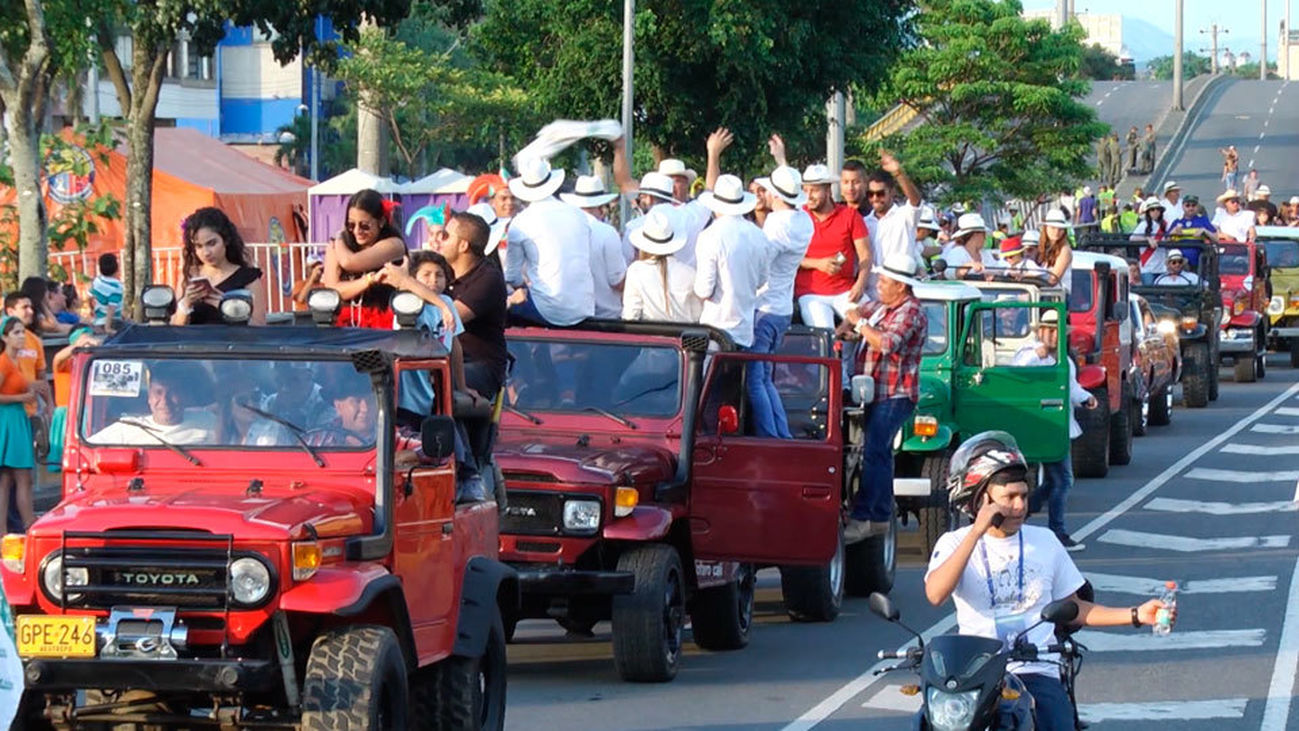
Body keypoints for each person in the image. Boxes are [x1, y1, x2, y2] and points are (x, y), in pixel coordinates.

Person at [925, 431, 1176, 731]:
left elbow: (1075, 608)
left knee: (1057, 722)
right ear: (981, 500)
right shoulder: (954, 543)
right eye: (1009, 498)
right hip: (973, 673)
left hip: (1036, 671)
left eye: (1024, 495)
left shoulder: (1045, 542)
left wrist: (1136, 614)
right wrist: (976, 532)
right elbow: (936, 594)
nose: (1020, 506)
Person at [840, 252, 927, 543]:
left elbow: (887, 343)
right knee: (876, 452)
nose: (878, 284)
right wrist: (847, 328)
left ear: (901, 286)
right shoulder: (883, 307)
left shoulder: (911, 310)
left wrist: (858, 324)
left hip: (895, 393)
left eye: (884, 281)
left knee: (876, 450)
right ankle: (877, 513)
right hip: (874, 390)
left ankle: (870, 517)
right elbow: (858, 316)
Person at [1010, 311, 1095, 549]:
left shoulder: (1064, 361)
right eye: (1048, 329)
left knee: (1057, 480)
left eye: (1057, 330)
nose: (1053, 335)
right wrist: (1038, 355)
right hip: (1037, 425)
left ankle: (1028, 511)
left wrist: (1086, 398)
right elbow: (1016, 373)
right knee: (1062, 480)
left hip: (1058, 426)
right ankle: (1057, 530)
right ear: (1039, 332)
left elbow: (1072, 389)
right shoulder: (1028, 354)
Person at [751, 165, 814, 438]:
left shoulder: (777, 224)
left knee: (755, 381)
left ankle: (771, 437)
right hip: (782, 308)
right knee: (765, 379)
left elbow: (762, 264)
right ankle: (781, 435)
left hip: (765, 307)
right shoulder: (804, 221)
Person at [504, 157, 595, 327]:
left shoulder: (520, 222)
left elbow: (512, 276)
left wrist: (522, 288)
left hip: (546, 311)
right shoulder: (578, 214)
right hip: (584, 307)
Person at [439, 211, 510, 402]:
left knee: (437, 384)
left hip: (479, 365)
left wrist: (409, 283)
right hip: (445, 358)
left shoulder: (489, 279)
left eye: (445, 235)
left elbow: (447, 319)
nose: (439, 239)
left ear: (463, 245)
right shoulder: (441, 270)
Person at [694, 174, 770, 349]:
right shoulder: (758, 235)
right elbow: (761, 281)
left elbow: (704, 290)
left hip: (715, 328)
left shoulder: (709, 236)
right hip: (744, 328)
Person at [795, 163, 871, 327]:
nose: (809, 196)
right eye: (806, 190)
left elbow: (865, 255)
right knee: (824, 337)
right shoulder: (798, 216)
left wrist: (860, 285)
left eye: (814, 190)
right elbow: (788, 257)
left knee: (871, 324)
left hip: (846, 291)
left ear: (828, 190)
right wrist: (818, 263)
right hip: (810, 293)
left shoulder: (850, 216)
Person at [322, 189, 407, 328]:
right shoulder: (338, 245)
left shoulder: (394, 244)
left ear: (381, 222)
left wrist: (338, 239)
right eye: (351, 225)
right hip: (346, 324)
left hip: (384, 322)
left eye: (364, 226)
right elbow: (333, 290)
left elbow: (349, 262)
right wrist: (368, 281)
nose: (357, 231)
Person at [171, 207, 267, 325]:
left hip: (231, 342)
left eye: (211, 243)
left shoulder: (248, 278)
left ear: (226, 240)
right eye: (199, 246)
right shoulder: (189, 275)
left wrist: (227, 307)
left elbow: (259, 327)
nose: (206, 253)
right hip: (194, 342)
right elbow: (175, 328)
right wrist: (186, 303)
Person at [89, 363, 219, 445]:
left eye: (172, 393)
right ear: (149, 397)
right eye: (158, 392)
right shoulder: (128, 427)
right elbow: (85, 451)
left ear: (184, 396)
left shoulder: (208, 420)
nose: (165, 401)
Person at [560, 174, 627, 319]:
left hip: (572, 315)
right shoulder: (607, 233)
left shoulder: (562, 231)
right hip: (607, 317)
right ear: (602, 207)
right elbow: (617, 282)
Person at [860, 151, 924, 296]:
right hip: (869, 292)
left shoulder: (904, 216)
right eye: (871, 194)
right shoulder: (863, 222)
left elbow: (916, 201)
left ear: (892, 192)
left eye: (880, 193)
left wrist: (898, 173)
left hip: (898, 291)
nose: (875, 198)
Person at [622, 207, 703, 322]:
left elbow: (630, 316)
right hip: (685, 339)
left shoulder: (635, 271)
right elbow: (697, 315)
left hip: (649, 338)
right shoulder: (690, 273)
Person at [0, 317, 37, 530]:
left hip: (16, 418)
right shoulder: (4, 362)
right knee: (21, 477)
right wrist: (21, 398)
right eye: (16, 332)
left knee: (7, 479)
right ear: (5, 337)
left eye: (23, 332)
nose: (22, 336)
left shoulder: (18, 361)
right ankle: (29, 524)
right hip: (8, 419)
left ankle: (5, 532)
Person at [48, 327, 98, 471]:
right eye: (82, 338)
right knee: (67, 462)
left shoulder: (94, 362)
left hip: (88, 414)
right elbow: (57, 358)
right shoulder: (65, 363)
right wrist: (78, 345)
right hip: (67, 415)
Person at [305, 374, 377, 448]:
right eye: (357, 401)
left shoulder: (387, 438)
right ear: (338, 406)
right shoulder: (315, 442)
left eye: (371, 400)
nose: (365, 409)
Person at [941, 213, 997, 278]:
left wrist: (1007, 271)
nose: (985, 238)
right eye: (984, 234)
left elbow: (996, 268)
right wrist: (967, 267)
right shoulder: (957, 252)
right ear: (976, 235)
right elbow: (949, 274)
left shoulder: (985, 253)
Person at [1130, 197, 1168, 282]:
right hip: (1147, 267)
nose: (1155, 212)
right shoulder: (1144, 224)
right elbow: (1132, 238)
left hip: (1162, 266)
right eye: (1152, 210)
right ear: (1148, 212)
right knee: (1149, 293)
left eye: (1158, 209)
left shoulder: (1164, 225)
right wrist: (1147, 239)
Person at [1039, 209, 1074, 293]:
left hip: (1057, 299)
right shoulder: (1042, 247)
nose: (1056, 232)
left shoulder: (1065, 250)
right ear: (1045, 228)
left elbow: (1053, 280)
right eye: (1053, 228)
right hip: (1042, 296)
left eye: (1060, 229)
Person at [91, 252, 123, 332]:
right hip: (113, 322)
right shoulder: (117, 286)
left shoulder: (97, 281)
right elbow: (111, 307)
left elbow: (91, 297)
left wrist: (92, 310)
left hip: (98, 320)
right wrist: (107, 328)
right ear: (117, 268)